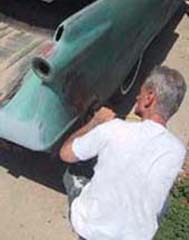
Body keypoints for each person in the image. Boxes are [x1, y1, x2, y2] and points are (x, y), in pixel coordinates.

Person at [60, 66, 187, 240]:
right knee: (164, 202)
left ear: (150, 97)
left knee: (73, 171)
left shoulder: (114, 129)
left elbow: (65, 153)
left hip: (92, 231)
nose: (137, 97)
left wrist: (95, 122)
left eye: (140, 93)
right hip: (137, 236)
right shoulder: (177, 150)